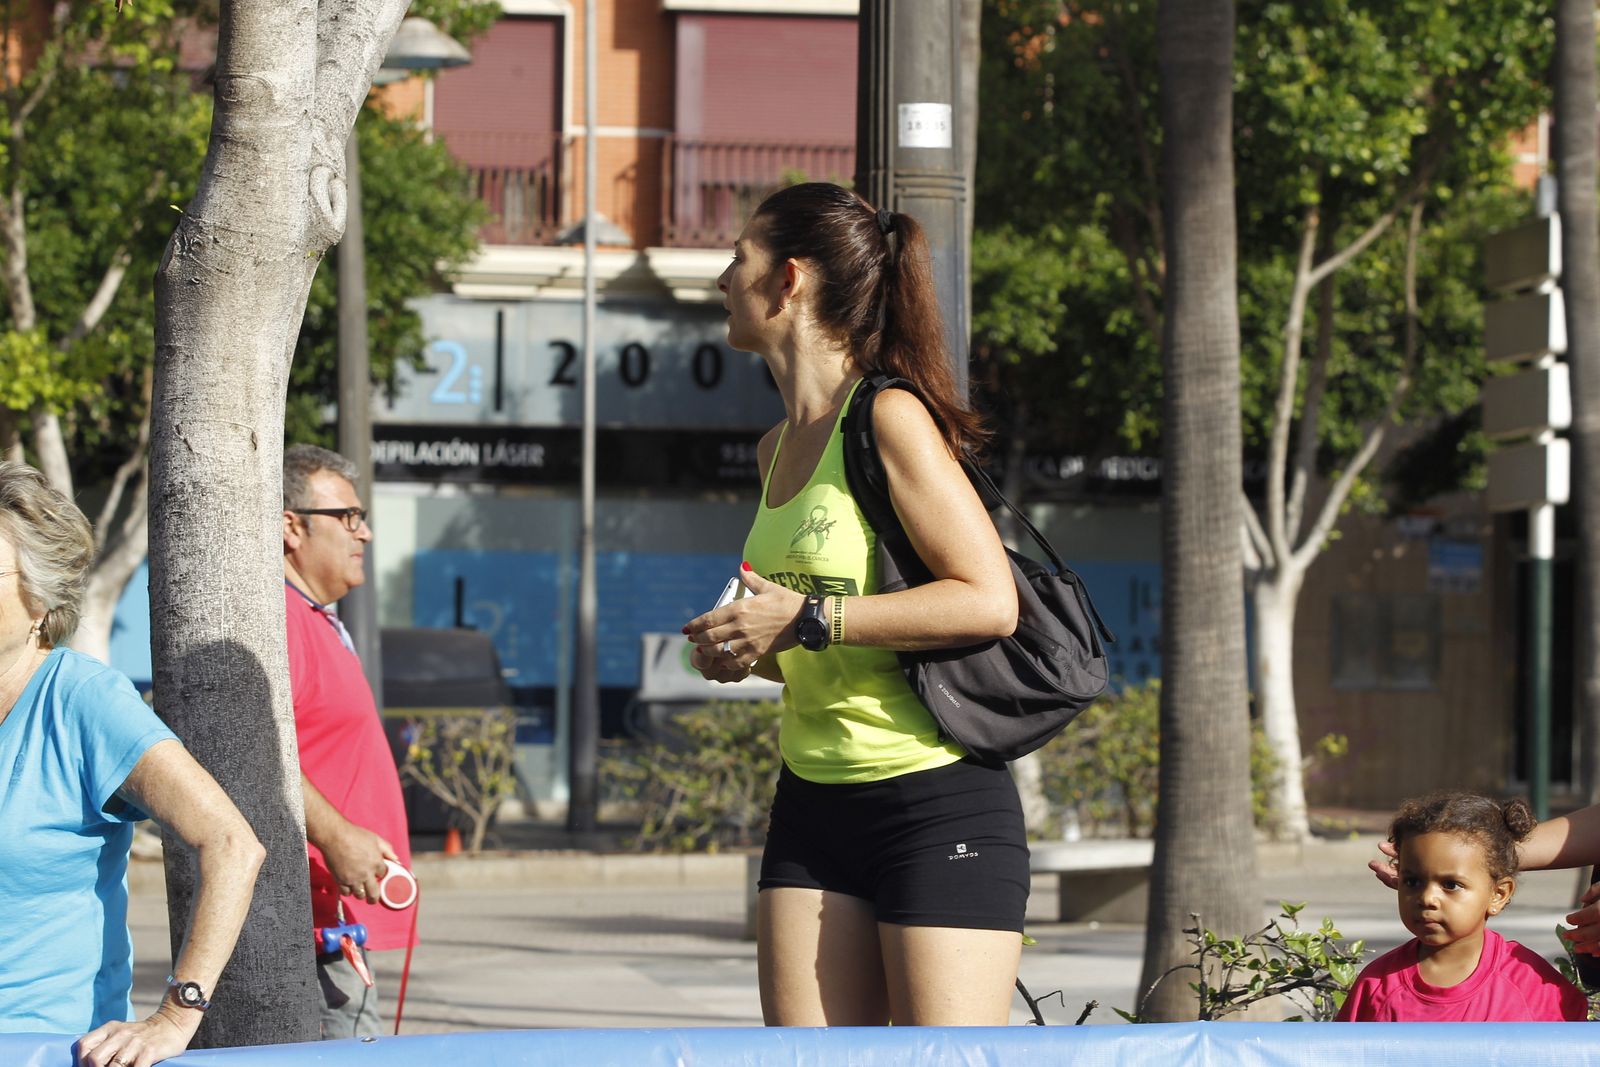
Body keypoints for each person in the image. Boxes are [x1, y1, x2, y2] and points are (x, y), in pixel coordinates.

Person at [683, 183, 1025, 1026]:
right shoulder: (774, 448)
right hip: (810, 800)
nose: (722, 278)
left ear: (788, 278)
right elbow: (801, 631)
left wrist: (805, 617)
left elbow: (990, 601)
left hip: (936, 800)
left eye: (739, 258)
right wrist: (747, 648)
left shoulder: (888, 416)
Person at [0, 461, 264, 1066]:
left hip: (44, 1049)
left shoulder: (83, 700)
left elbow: (231, 844)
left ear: (39, 596)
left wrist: (176, 1016)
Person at [281, 444, 414, 1038]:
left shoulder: (315, 618)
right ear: (291, 527)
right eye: (349, 517)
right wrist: (336, 836)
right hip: (317, 926)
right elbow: (259, 755)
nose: (365, 534)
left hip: (340, 924)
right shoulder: (281, 619)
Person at [1340, 791, 1585, 1021]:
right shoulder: (1376, 984)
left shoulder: (1533, 985)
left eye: (1451, 885)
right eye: (1413, 881)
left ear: (1498, 894)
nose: (1427, 898)